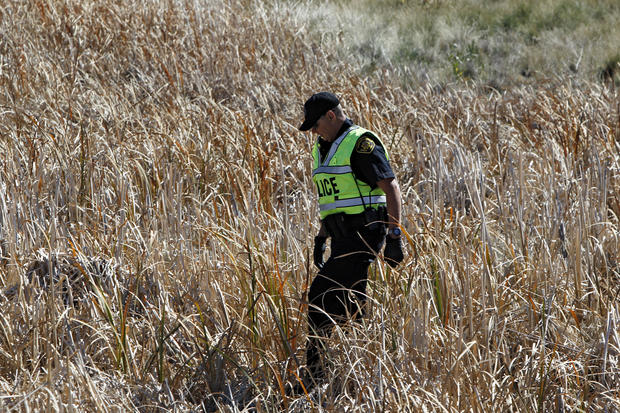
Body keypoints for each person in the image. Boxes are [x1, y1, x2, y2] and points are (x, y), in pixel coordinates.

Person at [296, 91, 404, 390]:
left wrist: (394, 235)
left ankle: (315, 377)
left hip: (365, 234)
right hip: (341, 237)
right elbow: (333, 198)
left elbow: (390, 187)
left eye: (315, 125)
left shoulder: (360, 144)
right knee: (349, 301)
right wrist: (321, 236)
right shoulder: (324, 147)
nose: (313, 131)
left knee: (320, 294)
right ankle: (358, 371)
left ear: (331, 116)